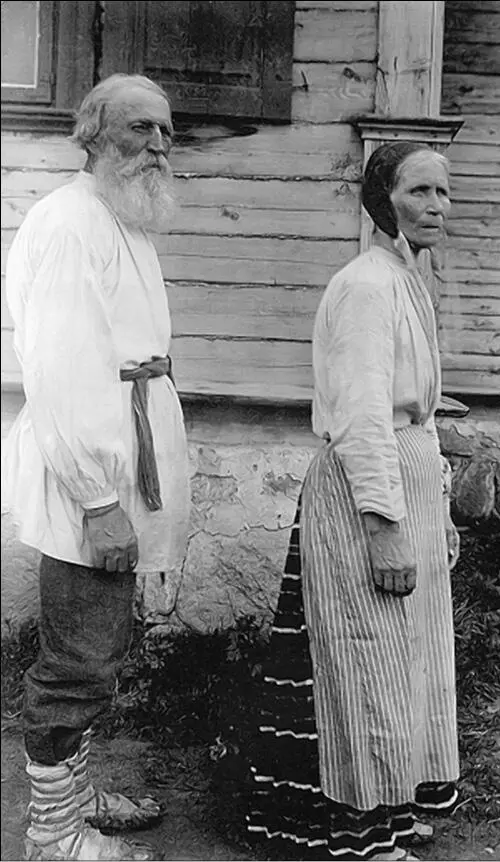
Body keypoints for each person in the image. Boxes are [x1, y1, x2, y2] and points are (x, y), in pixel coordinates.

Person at [246, 141, 461, 861]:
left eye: (443, 192)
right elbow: (364, 414)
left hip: (409, 480)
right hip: (366, 491)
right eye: (419, 191)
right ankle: (360, 832)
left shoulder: (407, 279)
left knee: (407, 659)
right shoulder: (367, 285)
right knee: (366, 659)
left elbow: (420, 414)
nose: (437, 206)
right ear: (380, 200)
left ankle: (392, 806)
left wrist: (438, 509)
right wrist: (384, 524)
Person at [2, 73, 190, 862]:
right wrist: (99, 501)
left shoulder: (124, 219)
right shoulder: (69, 223)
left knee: (100, 651)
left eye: (166, 131)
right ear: (92, 135)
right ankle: (53, 835)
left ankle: (76, 800)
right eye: (140, 127)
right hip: (91, 484)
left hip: (120, 472)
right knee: (77, 663)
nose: (158, 144)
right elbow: (60, 372)